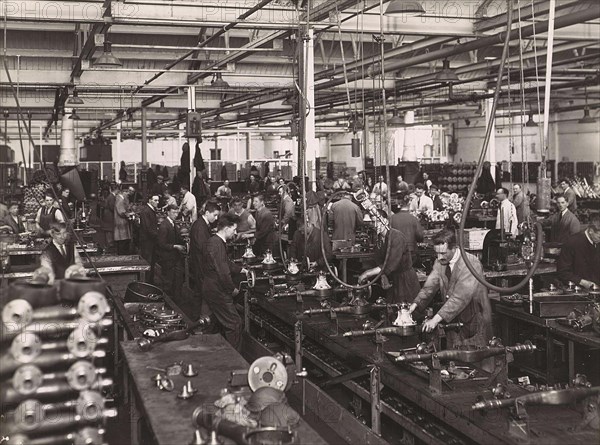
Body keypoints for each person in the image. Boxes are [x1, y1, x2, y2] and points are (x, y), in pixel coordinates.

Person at [409, 229, 492, 349]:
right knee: (454, 357)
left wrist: (435, 320)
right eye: (436, 253)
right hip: (453, 318)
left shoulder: (471, 263)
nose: (439, 257)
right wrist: (414, 305)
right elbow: (430, 286)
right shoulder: (441, 262)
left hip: (475, 319)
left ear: (454, 248)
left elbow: (459, 298)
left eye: (443, 253)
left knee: (474, 359)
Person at [201, 214, 245, 349]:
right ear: (226, 228)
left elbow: (226, 263)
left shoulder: (215, 242)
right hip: (217, 290)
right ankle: (234, 359)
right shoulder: (217, 244)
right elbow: (223, 272)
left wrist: (241, 270)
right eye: (234, 229)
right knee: (235, 324)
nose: (235, 233)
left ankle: (212, 351)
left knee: (212, 322)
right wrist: (232, 289)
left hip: (211, 287)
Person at [358, 219, 420, 304]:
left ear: (385, 221)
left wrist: (367, 273)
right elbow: (379, 260)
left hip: (405, 279)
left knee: (407, 309)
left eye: (377, 221)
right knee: (392, 308)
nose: (374, 225)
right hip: (392, 278)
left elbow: (391, 264)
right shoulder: (379, 239)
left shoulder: (396, 237)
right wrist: (384, 276)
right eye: (372, 222)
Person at [189, 201, 220, 318]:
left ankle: (196, 318)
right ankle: (201, 320)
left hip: (199, 264)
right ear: (207, 213)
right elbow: (204, 249)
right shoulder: (200, 227)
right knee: (203, 293)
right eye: (215, 215)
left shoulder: (202, 224)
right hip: (201, 265)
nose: (216, 218)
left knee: (198, 292)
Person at [557, 214, 600, 289]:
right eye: (599, 237)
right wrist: (583, 282)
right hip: (578, 290)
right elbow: (563, 272)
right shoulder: (572, 242)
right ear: (591, 231)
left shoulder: (596, 242)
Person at [157, 204, 187, 298]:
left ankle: (176, 300)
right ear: (168, 212)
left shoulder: (173, 224)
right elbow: (161, 244)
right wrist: (175, 246)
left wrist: (184, 240)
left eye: (177, 212)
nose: (175, 214)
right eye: (173, 212)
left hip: (174, 258)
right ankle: (169, 302)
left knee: (177, 280)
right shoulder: (164, 226)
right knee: (169, 282)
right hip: (168, 259)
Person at [391, 198, 424, 263]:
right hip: (410, 251)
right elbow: (420, 236)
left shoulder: (392, 218)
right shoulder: (413, 219)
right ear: (408, 205)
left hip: (395, 252)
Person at [138, 195, 159, 280]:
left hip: (150, 240)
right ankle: (147, 282)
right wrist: (159, 235)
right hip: (147, 241)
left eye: (158, 201)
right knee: (148, 261)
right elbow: (148, 228)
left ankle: (150, 280)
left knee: (151, 261)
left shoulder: (151, 210)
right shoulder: (146, 211)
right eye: (155, 200)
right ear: (150, 200)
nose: (157, 202)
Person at [114, 187, 132, 255]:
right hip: (121, 222)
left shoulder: (120, 198)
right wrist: (128, 214)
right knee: (122, 239)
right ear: (124, 192)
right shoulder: (120, 200)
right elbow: (121, 212)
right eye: (127, 194)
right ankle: (123, 254)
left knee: (122, 239)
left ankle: (122, 253)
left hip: (121, 222)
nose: (127, 196)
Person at [100, 183, 117, 249]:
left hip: (107, 216)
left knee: (108, 232)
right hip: (109, 217)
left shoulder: (110, 196)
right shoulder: (112, 197)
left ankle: (108, 245)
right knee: (109, 232)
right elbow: (112, 207)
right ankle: (109, 246)